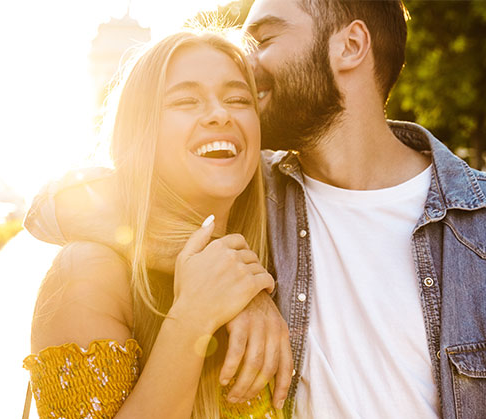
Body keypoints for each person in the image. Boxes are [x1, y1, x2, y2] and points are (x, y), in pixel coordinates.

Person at [26, 1, 486, 418]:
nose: (248, 61)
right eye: (186, 101)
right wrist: (227, 286)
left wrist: (228, 278)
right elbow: (52, 206)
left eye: (264, 38)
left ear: (350, 46)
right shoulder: (256, 197)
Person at [23, 31, 291, 418]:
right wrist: (192, 320)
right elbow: (45, 206)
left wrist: (242, 284)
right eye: (185, 101)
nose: (221, 113)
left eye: (238, 99)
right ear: (140, 130)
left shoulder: (284, 238)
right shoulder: (87, 275)